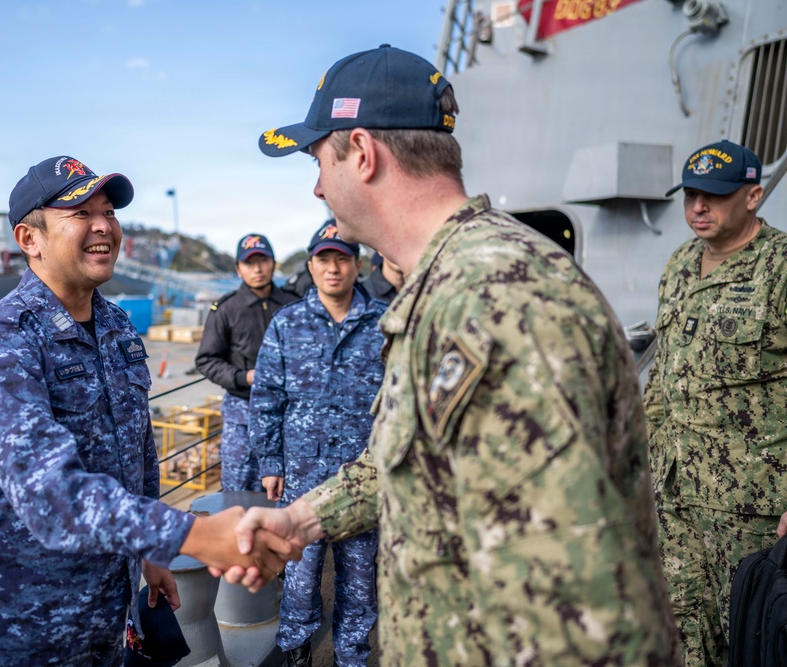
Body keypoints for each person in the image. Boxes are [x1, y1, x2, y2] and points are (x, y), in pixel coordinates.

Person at [221, 45, 682, 665]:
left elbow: (575, 621)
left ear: (362, 153)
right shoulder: (443, 287)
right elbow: (407, 461)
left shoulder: (497, 302)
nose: (315, 186)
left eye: (319, 160)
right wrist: (301, 521)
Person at [0, 156, 296, 666]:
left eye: (109, 212)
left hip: (107, 618)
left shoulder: (115, 327)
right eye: (80, 214)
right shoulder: (2, 342)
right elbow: (48, 494)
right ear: (30, 239)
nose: (103, 226)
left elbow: (136, 448)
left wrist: (150, 553)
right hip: (22, 630)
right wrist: (190, 537)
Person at [644, 139, 787, 666]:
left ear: (753, 197)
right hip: (676, 502)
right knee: (681, 640)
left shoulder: (779, 267)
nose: (697, 207)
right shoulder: (679, 266)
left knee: (754, 642)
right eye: (690, 195)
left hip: (754, 512)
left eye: (714, 196)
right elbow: (664, 378)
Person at [250, 220, 386, 667]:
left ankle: (351, 656)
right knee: (301, 577)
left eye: (341, 258)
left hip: (363, 481)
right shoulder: (288, 325)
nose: (333, 268)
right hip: (303, 480)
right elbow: (267, 397)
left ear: (357, 265)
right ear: (311, 265)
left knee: (360, 582)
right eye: (324, 259)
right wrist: (270, 461)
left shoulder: (383, 324)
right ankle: (296, 650)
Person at [195, 234, 299, 491]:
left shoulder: (292, 305)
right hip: (243, 412)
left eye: (263, 260)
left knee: (292, 486)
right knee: (239, 488)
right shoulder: (227, 309)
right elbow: (206, 360)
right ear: (238, 269)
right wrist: (243, 377)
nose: (257, 268)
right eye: (249, 263)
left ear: (273, 263)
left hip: (289, 412)